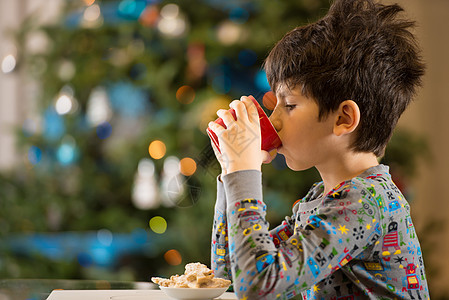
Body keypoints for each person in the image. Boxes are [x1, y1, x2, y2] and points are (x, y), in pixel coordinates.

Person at [207, 0, 430, 299]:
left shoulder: (364, 203)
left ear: (343, 118)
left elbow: (259, 287)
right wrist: (229, 174)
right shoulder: (322, 199)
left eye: (289, 105)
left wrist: (244, 173)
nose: (274, 122)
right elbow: (231, 279)